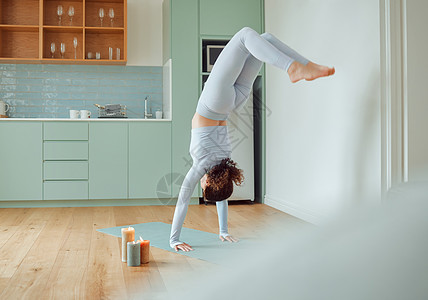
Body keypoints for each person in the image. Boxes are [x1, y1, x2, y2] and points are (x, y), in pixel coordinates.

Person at [170, 27, 335, 252]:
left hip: (233, 103)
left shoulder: (225, 163)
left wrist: (224, 230)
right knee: (246, 35)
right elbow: (183, 200)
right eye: (204, 186)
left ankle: (306, 66)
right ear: (208, 181)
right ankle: (295, 67)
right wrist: (174, 239)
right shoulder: (201, 164)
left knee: (265, 40)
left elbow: (222, 196)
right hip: (213, 104)